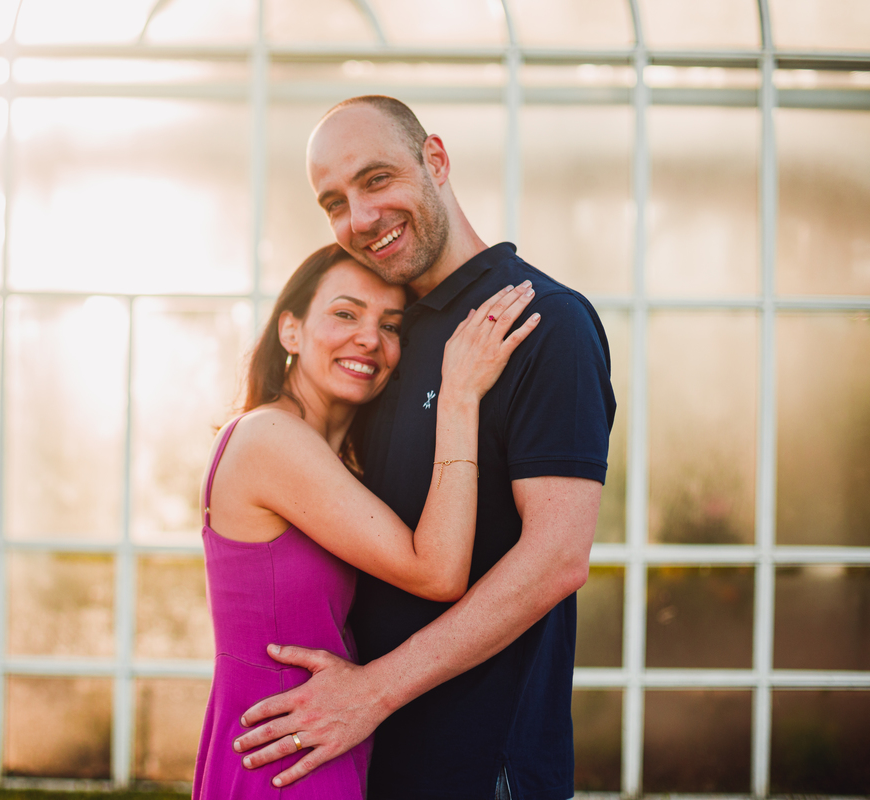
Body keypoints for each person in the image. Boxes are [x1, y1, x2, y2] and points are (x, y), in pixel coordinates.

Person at [232, 96, 616, 800]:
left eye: (376, 180)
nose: (360, 218)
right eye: (334, 203)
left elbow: (557, 557)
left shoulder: (542, 322)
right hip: (368, 756)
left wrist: (372, 691)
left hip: (481, 768)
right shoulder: (387, 342)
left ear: (434, 160)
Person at [193, 242, 541, 799]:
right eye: (345, 313)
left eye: (391, 325)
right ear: (290, 330)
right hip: (286, 757)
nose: (369, 339)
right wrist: (459, 397)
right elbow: (439, 571)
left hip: (317, 738)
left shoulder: (338, 462)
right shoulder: (269, 438)